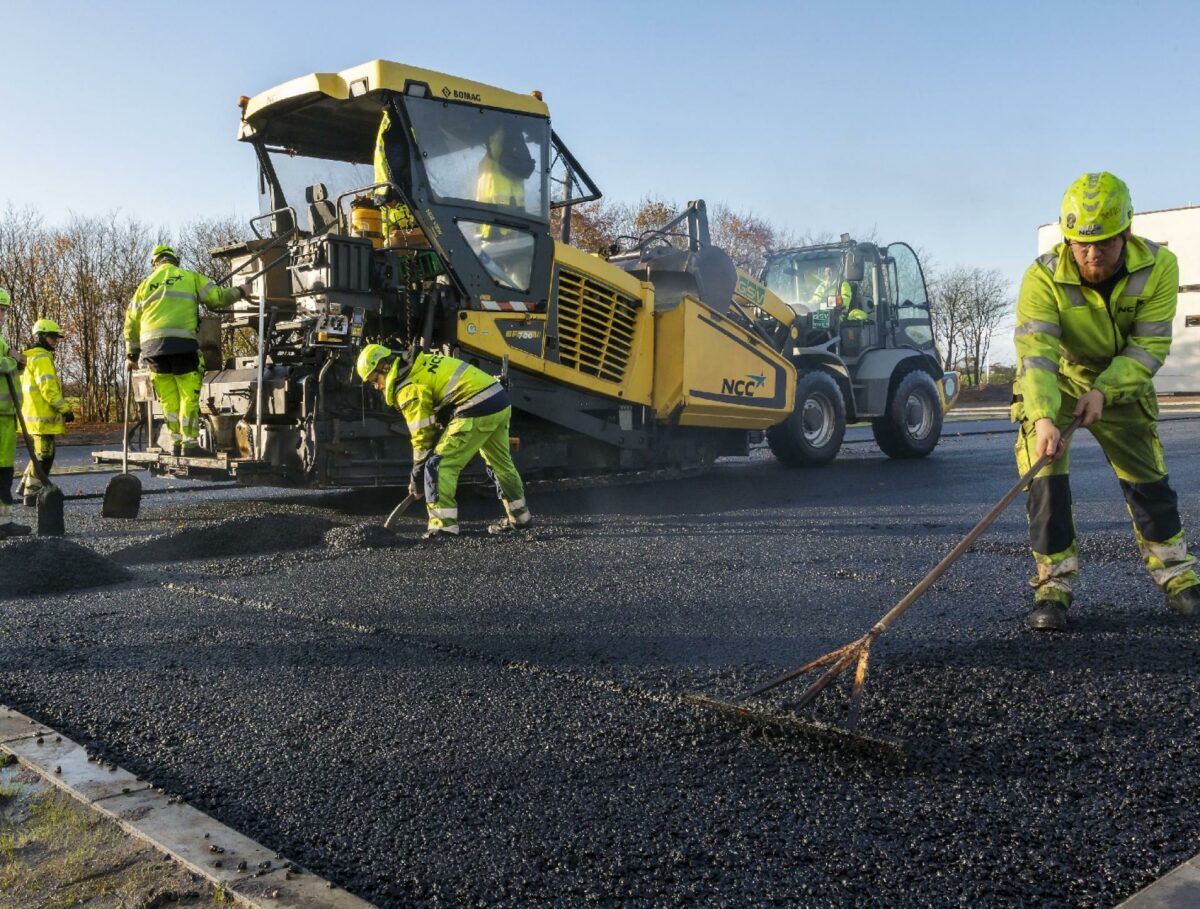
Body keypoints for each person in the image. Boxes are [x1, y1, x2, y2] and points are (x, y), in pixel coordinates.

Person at [1013, 171, 1200, 631]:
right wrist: (1042, 417)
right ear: (1067, 239)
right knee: (1045, 477)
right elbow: (1035, 356)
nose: (1092, 255)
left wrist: (1105, 391)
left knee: (1148, 478)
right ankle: (1054, 586)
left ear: (1127, 233)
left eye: (1105, 244)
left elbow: (1147, 348)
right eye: (1080, 245)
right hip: (1059, 381)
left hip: (1122, 380)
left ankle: (1177, 576)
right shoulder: (1041, 277)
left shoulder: (1159, 266)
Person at [356, 343, 531, 539]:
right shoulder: (420, 364)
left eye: (374, 379)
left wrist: (417, 475)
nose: (377, 386)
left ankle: (443, 527)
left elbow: (422, 437)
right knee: (501, 464)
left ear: (385, 367)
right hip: (498, 400)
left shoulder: (408, 387)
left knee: (439, 465)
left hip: (475, 407)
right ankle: (520, 518)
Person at [124, 244, 246, 456]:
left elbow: (131, 323)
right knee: (187, 396)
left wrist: (131, 356)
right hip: (182, 345)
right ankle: (189, 443)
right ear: (175, 260)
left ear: (155, 263)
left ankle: (176, 443)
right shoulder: (189, 277)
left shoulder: (144, 286)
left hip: (152, 351)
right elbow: (218, 298)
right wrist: (242, 291)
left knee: (168, 399)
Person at [18, 319, 72, 505]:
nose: (55, 341)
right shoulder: (41, 357)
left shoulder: (29, 356)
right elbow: (48, 388)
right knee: (45, 455)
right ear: (40, 337)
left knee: (41, 454)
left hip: (33, 415)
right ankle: (32, 493)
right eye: (51, 337)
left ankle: (25, 485)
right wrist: (64, 409)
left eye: (56, 337)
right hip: (42, 416)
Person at [0, 289, 31, 537]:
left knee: (5, 470)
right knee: (1, 470)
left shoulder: (1, 340)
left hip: (6, 416)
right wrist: (13, 361)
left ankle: (4, 522)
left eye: (3, 310)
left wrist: (17, 364)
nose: (1, 315)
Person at [372, 109, 418, 242]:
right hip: (393, 195)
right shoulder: (396, 122)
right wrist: (389, 195)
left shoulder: (408, 121)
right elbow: (391, 161)